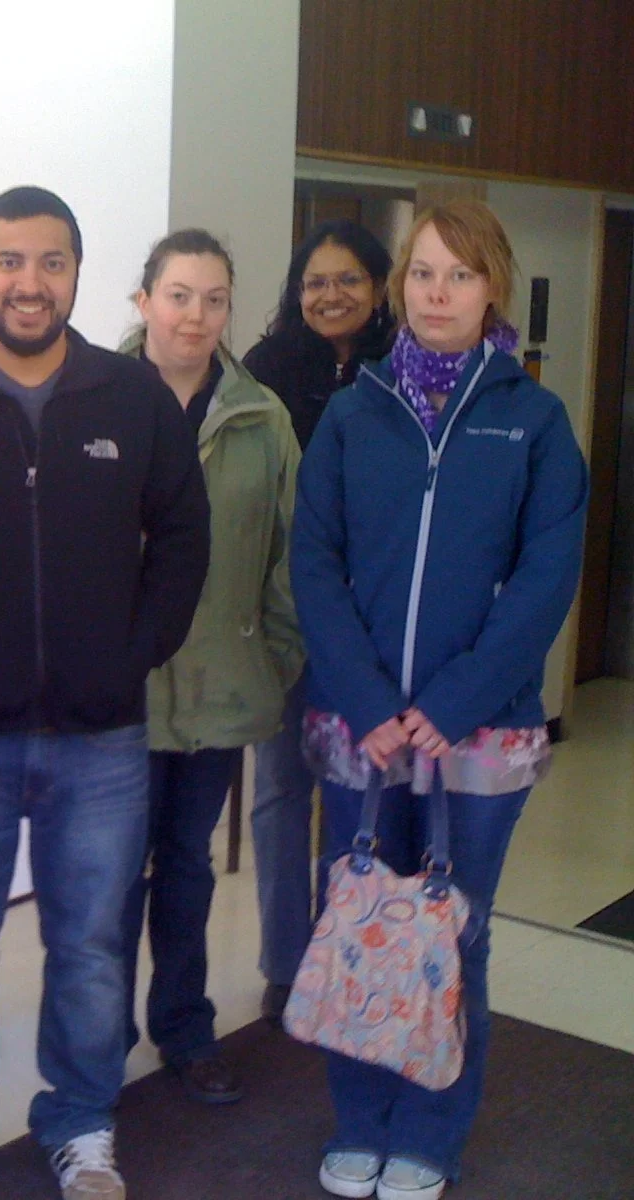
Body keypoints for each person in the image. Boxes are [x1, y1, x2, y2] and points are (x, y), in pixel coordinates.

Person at [0, 187, 210, 1200]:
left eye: (50, 261)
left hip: (99, 735)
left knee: (91, 946)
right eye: (8, 261)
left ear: (75, 275)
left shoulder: (131, 400)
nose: (28, 281)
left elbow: (183, 536)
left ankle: (80, 1122)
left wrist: (132, 649)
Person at [292, 199, 586, 1200]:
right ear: (399, 287)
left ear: (490, 284)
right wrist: (368, 699)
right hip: (361, 731)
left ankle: (427, 1132)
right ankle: (361, 1119)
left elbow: (546, 576)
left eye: (457, 275)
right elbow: (315, 563)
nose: (436, 293)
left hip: (477, 735)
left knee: (453, 931)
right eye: (421, 274)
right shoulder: (352, 409)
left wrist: (451, 702)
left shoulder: (532, 420)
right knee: (359, 919)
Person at [116, 229, 304, 1104]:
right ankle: (98, 1035)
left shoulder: (262, 419)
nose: (196, 315)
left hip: (219, 694)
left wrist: (268, 658)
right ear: (144, 298)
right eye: (179, 294)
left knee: (187, 869)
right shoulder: (92, 401)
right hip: (112, 695)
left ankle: (185, 1028)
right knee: (111, 874)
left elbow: (291, 558)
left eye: (215, 298)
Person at [241, 220, 396, 1021]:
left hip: (373, 620)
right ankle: (284, 964)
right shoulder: (266, 369)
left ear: (378, 290)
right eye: (314, 281)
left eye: (347, 280)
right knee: (278, 790)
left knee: (362, 788)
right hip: (284, 611)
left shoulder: (403, 371)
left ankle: (357, 951)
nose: (329, 295)